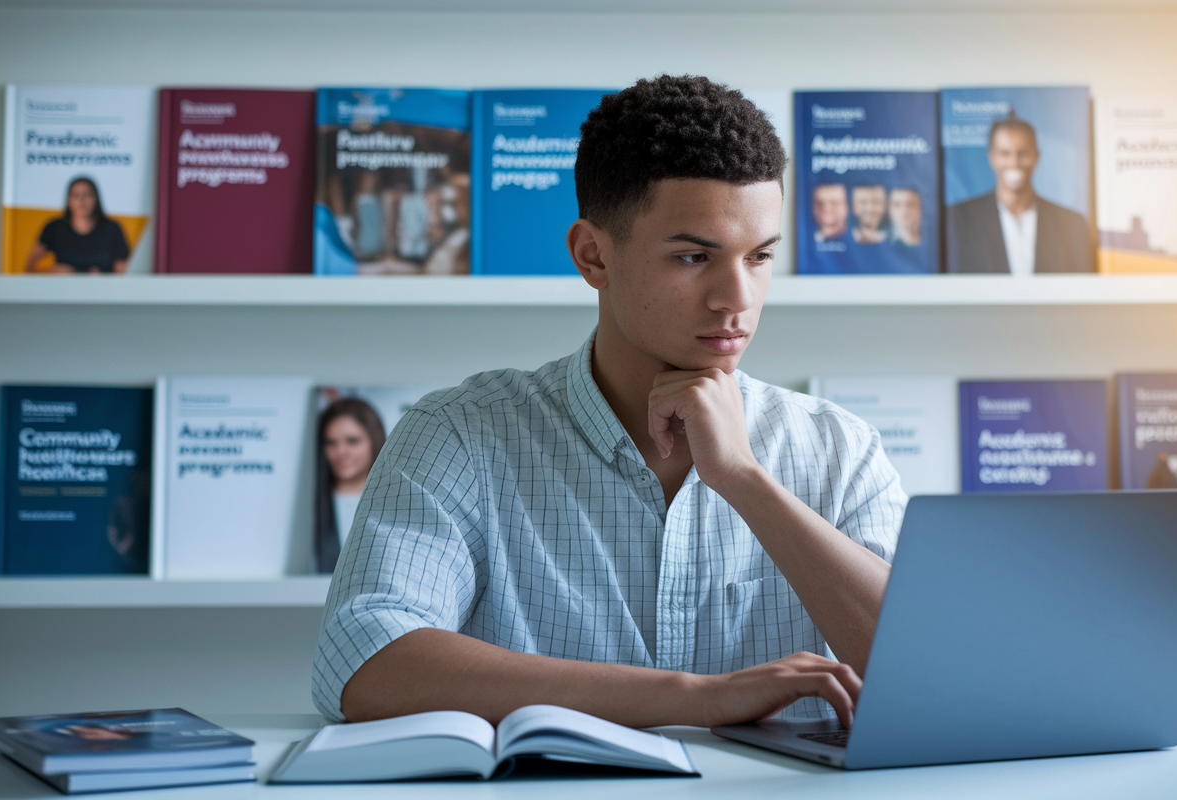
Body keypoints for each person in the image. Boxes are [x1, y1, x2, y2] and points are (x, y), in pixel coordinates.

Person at [313, 75, 905, 730]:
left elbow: (931, 673)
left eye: (759, 256)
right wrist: (697, 698)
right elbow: (363, 663)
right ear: (593, 256)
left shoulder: (842, 451)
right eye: (692, 256)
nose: (736, 298)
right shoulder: (461, 434)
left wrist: (744, 479)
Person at [946, 116, 1094, 274]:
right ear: (992, 157)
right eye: (1005, 153)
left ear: (1036, 156)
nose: (1014, 162)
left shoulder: (1072, 224)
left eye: (1022, 153)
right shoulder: (958, 220)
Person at [314, 398, 387, 574]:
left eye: (352, 441)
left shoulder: (396, 502)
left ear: (374, 441)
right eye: (331, 442)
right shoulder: (309, 506)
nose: (341, 452)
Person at [25, 177, 130, 274]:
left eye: (87, 194)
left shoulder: (111, 228)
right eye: (76, 195)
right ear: (68, 200)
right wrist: (52, 272)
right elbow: (28, 268)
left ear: (96, 199)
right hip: (63, 290)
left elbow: (122, 271)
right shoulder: (55, 227)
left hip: (101, 291)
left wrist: (103, 277)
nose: (81, 200)